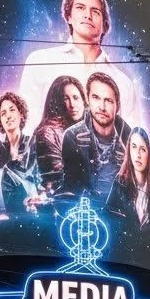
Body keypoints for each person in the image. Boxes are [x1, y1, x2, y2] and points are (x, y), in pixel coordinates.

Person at [18, 0, 139, 130]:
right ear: (69, 16)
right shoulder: (40, 61)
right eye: (80, 8)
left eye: (95, 11)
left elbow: (132, 141)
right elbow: (26, 127)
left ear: (104, 24)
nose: (87, 15)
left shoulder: (124, 83)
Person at [61, 72, 131, 206]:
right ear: (87, 99)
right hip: (83, 214)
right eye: (96, 98)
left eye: (108, 100)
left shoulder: (130, 143)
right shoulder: (72, 136)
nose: (102, 107)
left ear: (118, 106)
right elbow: (69, 187)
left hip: (118, 217)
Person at [0, 91, 47, 222]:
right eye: (3, 113)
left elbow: (43, 179)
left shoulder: (33, 143)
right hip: (13, 213)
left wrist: (41, 197)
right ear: (0, 120)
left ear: (20, 114)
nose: (8, 116)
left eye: (12, 110)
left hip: (36, 211)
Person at [104, 126, 150, 263]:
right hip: (121, 261)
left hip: (147, 265)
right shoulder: (120, 184)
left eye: (143, 149)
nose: (138, 154)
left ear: (149, 154)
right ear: (129, 149)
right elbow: (108, 221)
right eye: (134, 147)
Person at [32, 75, 86, 194]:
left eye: (76, 97)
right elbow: (57, 179)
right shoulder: (48, 133)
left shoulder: (84, 131)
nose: (72, 104)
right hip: (59, 204)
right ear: (57, 102)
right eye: (65, 99)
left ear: (83, 100)